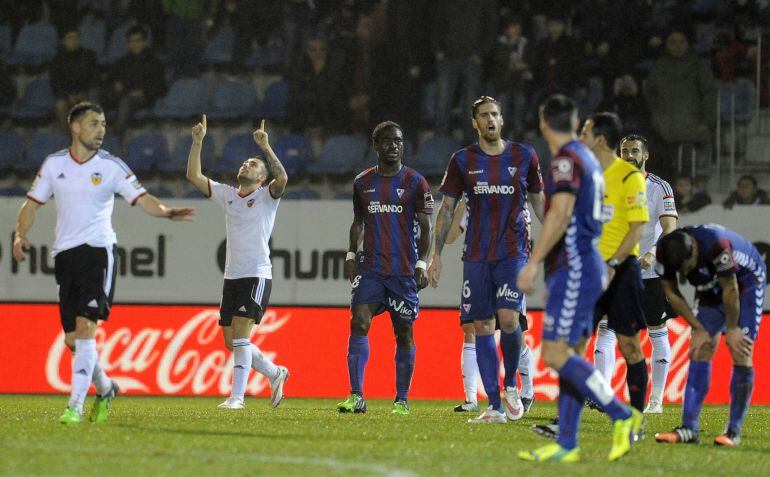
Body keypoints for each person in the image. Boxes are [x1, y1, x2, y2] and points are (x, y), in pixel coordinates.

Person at [12, 102, 195, 424]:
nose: (101, 130)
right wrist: (19, 235)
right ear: (76, 127)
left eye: (104, 124)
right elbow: (31, 204)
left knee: (86, 328)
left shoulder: (112, 166)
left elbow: (142, 197)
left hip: (98, 251)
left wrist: (164, 212)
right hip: (65, 255)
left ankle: (75, 407)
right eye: (95, 123)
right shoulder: (54, 165)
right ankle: (105, 386)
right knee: (72, 339)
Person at [517, 95, 641, 462]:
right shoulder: (588, 159)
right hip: (585, 265)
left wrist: (533, 262)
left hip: (573, 265)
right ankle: (567, 442)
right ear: (572, 122)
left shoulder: (568, 159)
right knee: (569, 353)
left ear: (543, 122)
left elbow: (560, 214)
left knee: (554, 354)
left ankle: (622, 415)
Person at [428, 96, 545, 424]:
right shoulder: (462, 161)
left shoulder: (524, 156)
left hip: (513, 253)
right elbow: (446, 208)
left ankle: (510, 386)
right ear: (474, 122)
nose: (490, 119)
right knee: (481, 325)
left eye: (495, 113)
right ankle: (493, 404)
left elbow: (540, 203)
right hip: (477, 256)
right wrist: (436, 254)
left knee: (508, 319)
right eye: (484, 115)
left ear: (502, 119)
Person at [186, 116, 290, 409]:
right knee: (231, 342)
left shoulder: (267, 196)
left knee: (242, 336)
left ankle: (237, 398)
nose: (247, 165)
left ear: (261, 178)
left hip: (256, 274)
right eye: (246, 162)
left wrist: (266, 148)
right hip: (232, 276)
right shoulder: (228, 195)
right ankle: (275, 372)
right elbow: (194, 176)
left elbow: (282, 179)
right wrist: (197, 142)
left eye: (253, 165)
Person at [337, 121, 433, 415]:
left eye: (399, 141)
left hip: (403, 271)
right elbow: (358, 221)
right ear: (376, 145)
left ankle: (401, 400)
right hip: (372, 268)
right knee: (359, 322)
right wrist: (352, 254)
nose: (394, 145)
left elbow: (426, 226)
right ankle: (356, 396)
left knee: (403, 332)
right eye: (387, 141)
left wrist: (421, 263)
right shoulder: (362, 182)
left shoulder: (416, 182)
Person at [654, 225, 765, 446]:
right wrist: (697, 327)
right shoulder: (664, 251)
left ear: (694, 249)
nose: (687, 273)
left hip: (745, 283)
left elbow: (731, 289)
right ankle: (689, 429)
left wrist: (732, 329)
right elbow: (670, 291)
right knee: (699, 349)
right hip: (713, 285)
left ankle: (733, 432)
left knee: (740, 350)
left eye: (689, 267)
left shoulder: (716, 244)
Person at [593, 134, 678, 413]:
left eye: (634, 151)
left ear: (646, 155)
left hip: (651, 272)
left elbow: (669, 229)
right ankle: (602, 395)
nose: (629, 155)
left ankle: (655, 400)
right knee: (606, 328)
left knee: (656, 332)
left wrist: (653, 252)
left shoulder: (659, 187)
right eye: (624, 150)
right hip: (617, 269)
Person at [445, 200, 537, 413]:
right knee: (470, 328)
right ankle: (471, 400)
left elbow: (527, 234)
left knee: (514, 329)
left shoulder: (513, 195)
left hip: (508, 270)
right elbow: (449, 238)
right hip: (478, 271)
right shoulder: (472, 199)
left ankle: (527, 391)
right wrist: (459, 206)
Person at [106, 25, 167, 134]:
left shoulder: (154, 62)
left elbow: (160, 86)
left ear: (144, 42)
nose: (135, 44)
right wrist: (116, 84)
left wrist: (143, 92)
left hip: (145, 99)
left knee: (126, 102)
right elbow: (110, 79)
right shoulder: (122, 62)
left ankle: (116, 133)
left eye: (138, 40)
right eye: (131, 41)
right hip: (122, 95)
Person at [50, 29, 99, 128]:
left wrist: (83, 93)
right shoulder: (57, 60)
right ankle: (68, 136)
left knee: (88, 105)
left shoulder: (88, 56)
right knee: (60, 106)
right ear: (64, 41)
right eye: (70, 38)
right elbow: (55, 82)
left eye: (76, 37)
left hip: (85, 93)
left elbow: (94, 78)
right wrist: (67, 96)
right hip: (66, 96)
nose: (74, 41)